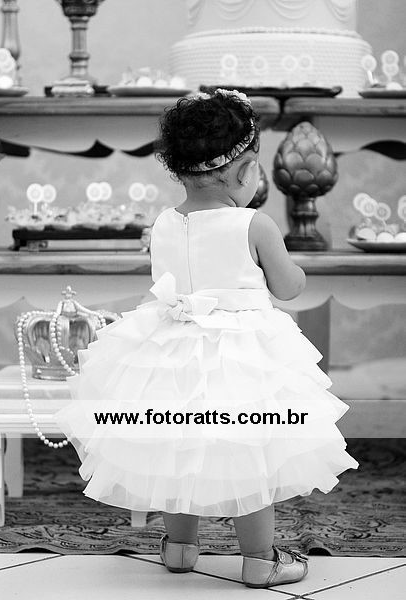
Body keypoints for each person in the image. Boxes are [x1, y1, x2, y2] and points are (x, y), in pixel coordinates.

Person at [54, 89, 359, 589]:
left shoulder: (163, 223)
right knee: (251, 454)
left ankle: (179, 549)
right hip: (239, 360)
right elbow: (287, 287)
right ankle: (260, 559)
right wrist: (294, 270)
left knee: (178, 449)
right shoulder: (255, 223)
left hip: (170, 352)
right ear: (244, 171)